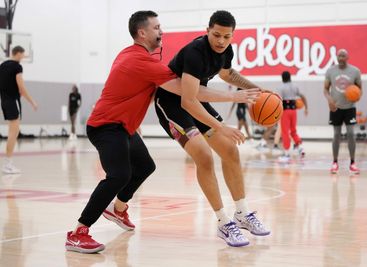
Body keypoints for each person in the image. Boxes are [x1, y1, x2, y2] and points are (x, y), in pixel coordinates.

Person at [65, 10, 259, 254]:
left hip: (124, 127)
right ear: (142, 32)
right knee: (119, 175)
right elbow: (189, 94)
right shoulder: (142, 62)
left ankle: (118, 209)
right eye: (156, 27)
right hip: (106, 126)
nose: (161, 30)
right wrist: (234, 96)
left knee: (145, 166)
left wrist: (254, 89)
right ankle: (78, 232)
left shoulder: (136, 54)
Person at [155, 10, 271, 247]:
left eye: (226, 37)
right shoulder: (195, 53)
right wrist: (222, 125)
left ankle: (242, 214)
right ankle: (222, 222)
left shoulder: (226, 50)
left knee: (230, 151)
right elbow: (188, 100)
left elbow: (228, 74)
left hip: (196, 99)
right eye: (216, 35)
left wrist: (257, 89)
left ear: (232, 35)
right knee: (205, 156)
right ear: (207, 30)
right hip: (172, 103)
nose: (220, 41)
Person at [0, 46, 38, 174]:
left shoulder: (2, 65)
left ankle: (8, 163)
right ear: (18, 53)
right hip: (13, 101)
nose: (23, 56)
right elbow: (21, 87)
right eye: (22, 54)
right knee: (13, 133)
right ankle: (8, 164)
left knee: (13, 132)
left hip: (4, 101)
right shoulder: (17, 67)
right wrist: (32, 101)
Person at [324, 49, 361, 174]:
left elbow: (360, 89)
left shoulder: (355, 71)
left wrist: (356, 96)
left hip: (350, 107)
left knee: (351, 133)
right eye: (339, 55)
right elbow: (325, 89)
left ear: (347, 57)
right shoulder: (330, 71)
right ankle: (335, 162)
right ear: (337, 57)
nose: (341, 58)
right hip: (336, 108)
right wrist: (329, 100)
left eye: (343, 56)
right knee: (336, 135)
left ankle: (353, 162)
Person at [277, 71, 308, 162]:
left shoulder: (281, 87)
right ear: (290, 77)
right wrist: (306, 108)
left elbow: (278, 101)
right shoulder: (295, 86)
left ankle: (286, 153)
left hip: (285, 111)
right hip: (294, 111)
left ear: (282, 78)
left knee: (285, 131)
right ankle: (300, 148)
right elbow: (303, 97)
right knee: (293, 130)